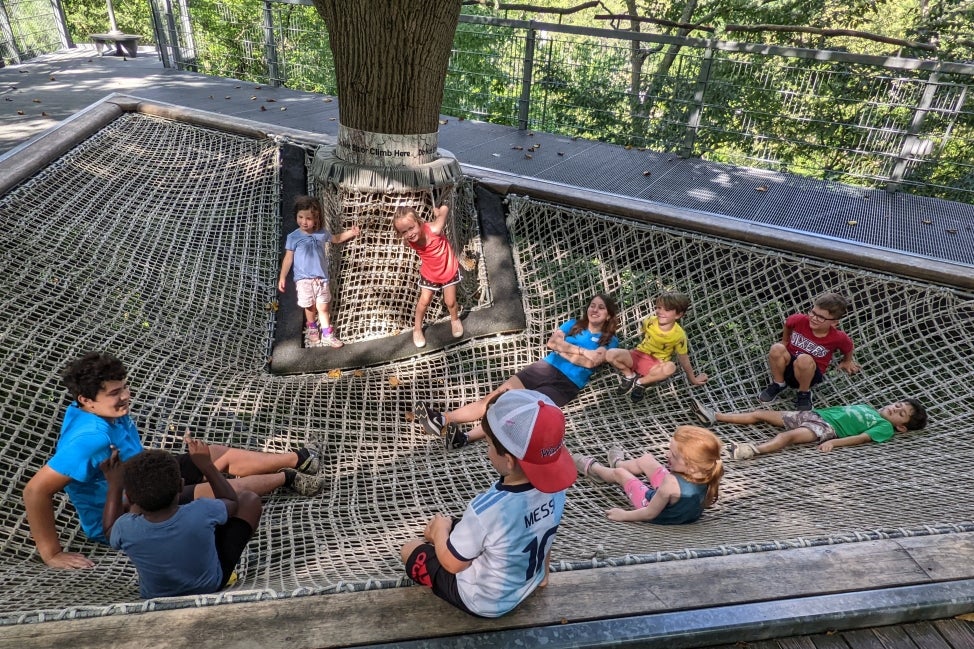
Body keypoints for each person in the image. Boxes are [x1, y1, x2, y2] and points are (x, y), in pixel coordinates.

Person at [22, 351, 323, 569]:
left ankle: (299, 458)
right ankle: (288, 477)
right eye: (116, 393)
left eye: (125, 386)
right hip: (134, 508)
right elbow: (36, 490)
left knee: (213, 454)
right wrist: (52, 553)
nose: (126, 395)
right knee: (229, 493)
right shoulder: (90, 439)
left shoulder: (100, 411)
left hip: (143, 476)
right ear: (86, 400)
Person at [400, 389, 576, 618]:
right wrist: (542, 575)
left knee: (410, 549)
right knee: (458, 529)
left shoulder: (486, 511)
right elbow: (545, 535)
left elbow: (453, 566)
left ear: (509, 461)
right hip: (529, 581)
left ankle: (434, 542)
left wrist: (439, 531)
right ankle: (536, 577)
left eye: (489, 444)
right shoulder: (556, 489)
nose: (487, 450)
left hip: (483, 602)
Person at [415, 294, 620, 450]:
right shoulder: (572, 324)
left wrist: (565, 348)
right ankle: (442, 419)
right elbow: (552, 343)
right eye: (592, 305)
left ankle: (465, 437)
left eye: (601, 308)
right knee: (496, 397)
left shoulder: (610, 340)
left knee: (516, 411)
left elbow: (593, 362)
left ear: (608, 314)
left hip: (566, 385)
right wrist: (580, 353)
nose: (594, 309)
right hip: (544, 368)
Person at [100, 435, 262, 598]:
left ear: (129, 497)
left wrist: (114, 486)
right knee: (249, 500)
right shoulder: (202, 510)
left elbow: (108, 530)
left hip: (155, 595)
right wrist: (206, 466)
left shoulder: (126, 528)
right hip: (210, 584)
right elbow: (231, 501)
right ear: (181, 485)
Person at [573, 426, 723, 524]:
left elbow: (650, 513)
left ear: (691, 466)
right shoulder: (709, 468)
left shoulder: (670, 483)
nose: (666, 454)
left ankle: (595, 469)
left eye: (674, 455)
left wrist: (623, 515)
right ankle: (619, 463)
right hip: (682, 509)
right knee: (647, 460)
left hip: (658, 511)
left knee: (621, 475)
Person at [692, 398, 927, 460]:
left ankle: (752, 450)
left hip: (825, 428)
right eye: (898, 405)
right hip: (813, 415)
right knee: (760, 414)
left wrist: (834, 442)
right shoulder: (868, 407)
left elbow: (861, 438)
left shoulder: (884, 427)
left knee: (788, 437)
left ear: (901, 427)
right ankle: (715, 416)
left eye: (901, 413)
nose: (895, 409)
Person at [278, 195, 360, 348]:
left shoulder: (321, 233)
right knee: (309, 306)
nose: (304, 221)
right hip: (303, 280)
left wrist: (351, 233)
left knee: (323, 306)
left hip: (321, 279)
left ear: (316, 218)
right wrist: (282, 276)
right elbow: (288, 258)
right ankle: (312, 327)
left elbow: (335, 238)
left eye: (308, 218)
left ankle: (328, 333)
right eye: (300, 217)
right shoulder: (293, 237)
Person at [758, 292, 860, 411]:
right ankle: (779, 383)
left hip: (810, 374)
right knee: (777, 348)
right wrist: (785, 340)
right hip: (788, 366)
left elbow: (848, 347)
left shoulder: (838, 337)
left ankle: (804, 393)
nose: (814, 318)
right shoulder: (799, 320)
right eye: (813, 312)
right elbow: (788, 324)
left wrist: (847, 361)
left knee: (804, 359)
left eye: (821, 317)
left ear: (834, 322)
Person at [606, 291, 708, 403]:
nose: (660, 312)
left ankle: (641, 382)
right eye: (659, 307)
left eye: (667, 310)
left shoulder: (679, 335)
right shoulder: (649, 321)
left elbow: (683, 358)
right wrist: (633, 353)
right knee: (610, 353)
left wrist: (693, 379)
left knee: (671, 367)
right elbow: (645, 336)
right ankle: (629, 375)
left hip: (655, 365)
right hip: (638, 356)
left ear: (678, 315)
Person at [393, 203, 463, 348]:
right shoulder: (407, 241)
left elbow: (445, 210)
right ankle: (417, 329)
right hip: (430, 272)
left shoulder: (435, 229)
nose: (410, 233)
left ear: (419, 222)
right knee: (424, 301)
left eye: (411, 228)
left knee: (450, 301)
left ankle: (455, 319)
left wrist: (441, 211)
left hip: (447, 268)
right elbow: (410, 237)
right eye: (404, 232)